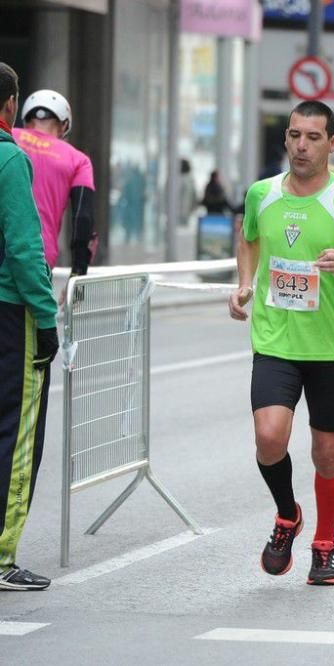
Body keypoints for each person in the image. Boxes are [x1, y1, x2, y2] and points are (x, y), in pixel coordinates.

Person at [228, 100, 334, 586]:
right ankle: (287, 515)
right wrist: (244, 283)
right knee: (270, 437)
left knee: (326, 453)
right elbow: (250, 239)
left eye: (313, 137)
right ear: (286, 140)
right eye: (295, 135)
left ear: (332, 143)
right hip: (275, 339)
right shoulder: (261, 193)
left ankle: (326, 543)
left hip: (329, 349)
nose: (301, 145)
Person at [0, 63, 60, 591]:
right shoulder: (9, 158)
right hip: (8, 312)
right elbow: (24, 250)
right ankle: (1, 556)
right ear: (9, 107)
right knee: (17, 434)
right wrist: (46, 318)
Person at [13, 89, 96, 278]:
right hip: (38, 260)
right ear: (64, 124)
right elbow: (83, 219)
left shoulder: (7, 137)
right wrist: (77, 277)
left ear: (26, 119)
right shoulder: (78, 160)